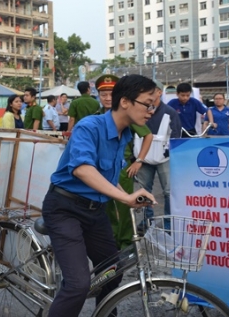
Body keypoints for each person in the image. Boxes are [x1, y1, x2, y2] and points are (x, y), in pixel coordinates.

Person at [42, 75, 157, 317]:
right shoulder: (89, 127)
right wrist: (124, 199)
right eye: (148, 104)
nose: (150, 111)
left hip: (95, 212)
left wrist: (130, 195)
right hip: (65, 208)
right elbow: (83, 169)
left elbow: (108, 173)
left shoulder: (123, 133)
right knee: (78, 284)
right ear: (125, 102)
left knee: (113, 270)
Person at [96, 74, 153, 249]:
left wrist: (139, 161)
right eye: (103, 94)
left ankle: (126, 241)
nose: (107, 98)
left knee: (125, 205)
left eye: (111, 94)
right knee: (107, 206)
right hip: (102, 167)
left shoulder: (129, 116)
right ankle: (111, 238)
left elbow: (148, 135)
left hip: (123, 167)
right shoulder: (96, 118)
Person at [136, 80, 181, 218]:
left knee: (168, 191)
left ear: (160, 92)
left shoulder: (170, 112)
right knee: (144, 191)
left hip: (164, 157)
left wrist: (170, 153)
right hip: (142, 157)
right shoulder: (139, 110)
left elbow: (176, 135)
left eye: (151, 91)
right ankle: (146, 221)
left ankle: (168, 224)